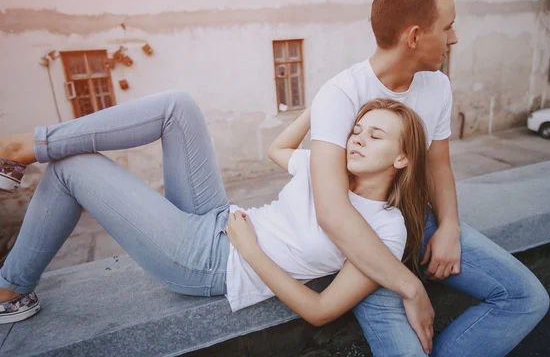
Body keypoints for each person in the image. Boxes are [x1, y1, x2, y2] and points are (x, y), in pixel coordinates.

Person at [0, 91, 430, 329]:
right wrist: (325, 106)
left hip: (210, 262)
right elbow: (278, 148)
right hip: (218, 218)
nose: (356, 138)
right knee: (179, 107)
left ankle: (9, 288)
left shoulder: (387, 229)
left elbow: (320, 312)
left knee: (72, 168)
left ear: (402, 158)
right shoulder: (329, 170)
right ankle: (27, 146)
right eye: (355, 129)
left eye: (374, 136)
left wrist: (252, 251)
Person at [308, 0, 549, 357]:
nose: (454, 38)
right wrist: (411, 286)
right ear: (415, 36)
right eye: (448, 26)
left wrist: (450, 227)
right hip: (366, 240)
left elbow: (439, 165)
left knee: (527, 299)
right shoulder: (341, 94)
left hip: (421, 221)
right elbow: (332, 214)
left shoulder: (437, 84)